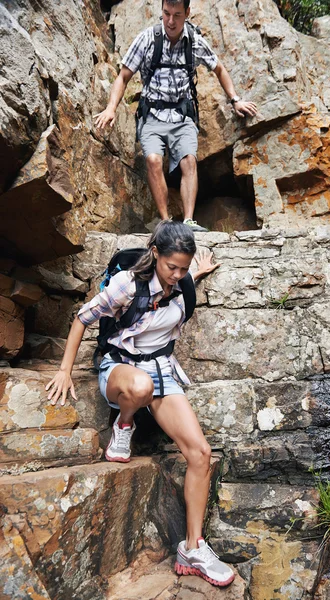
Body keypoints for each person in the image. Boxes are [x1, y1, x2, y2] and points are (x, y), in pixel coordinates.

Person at [46, 220, 235, 587]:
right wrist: (65, 369)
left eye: (184, 268)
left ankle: (193, 548)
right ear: (155, 255)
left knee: (200, 453)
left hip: (161, 368)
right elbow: (81, 318)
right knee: (140, 386)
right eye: (171, 267)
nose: (177, 275)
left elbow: (184, 275)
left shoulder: (182, 283)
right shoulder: (125, 285)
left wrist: (196, 272)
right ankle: (124, 425)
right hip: (121, 369)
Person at [94, 0, 257, 232]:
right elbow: (123, 76)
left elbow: (219, 68)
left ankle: (189, 221)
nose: (170, 21)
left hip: (182, 115)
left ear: (187, 13)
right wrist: (111, 108)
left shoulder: (195, 42)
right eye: (166, 13)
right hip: (152, 113)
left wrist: (235, 99)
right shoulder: (147, 38)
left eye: (177, 15)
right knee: (152, 160)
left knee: (189, 161)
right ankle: (166, 222)